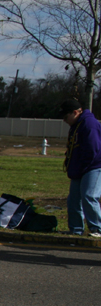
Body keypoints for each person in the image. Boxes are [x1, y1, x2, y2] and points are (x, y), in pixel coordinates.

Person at [61, 98, 101, 237]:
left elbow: (93, 149)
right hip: (80, 168)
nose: (64, 120)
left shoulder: (89, 124)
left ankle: (97, 229)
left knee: (89, 196)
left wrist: (82, 166)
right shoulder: (76, 125)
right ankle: (76, 230)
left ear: (75, 112)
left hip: (94, 166)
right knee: (73, 200)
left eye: (66, 117)